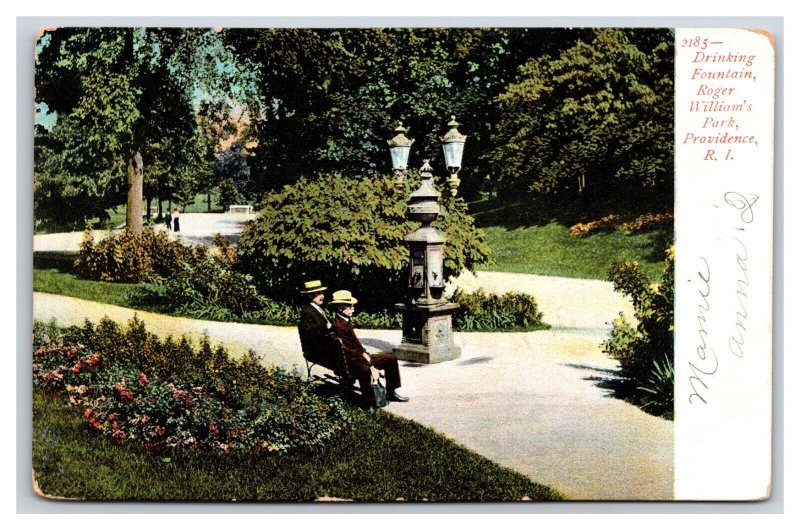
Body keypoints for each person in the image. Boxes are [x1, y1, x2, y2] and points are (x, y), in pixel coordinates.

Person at [328, 290, 409, 404]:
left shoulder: (344, 321)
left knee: (391, 358)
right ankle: (369, 401)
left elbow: (356, 346)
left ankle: (391, 392)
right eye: (350, 307)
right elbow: (349, 353)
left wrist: (365, 353)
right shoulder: (339, 326)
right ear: (341, 308)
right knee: (365, 370)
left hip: (359, 358)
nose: (353, 309)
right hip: (352, 362)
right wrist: (370, 366)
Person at [297, 280, 334, 359]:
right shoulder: (307, 312)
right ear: (310, 296)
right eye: (319, 294)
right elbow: (310, 333)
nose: (323, 296)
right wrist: (326, 327)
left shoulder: (318, 309)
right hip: (316, 351)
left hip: (325, 347)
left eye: (322, 293)